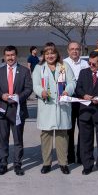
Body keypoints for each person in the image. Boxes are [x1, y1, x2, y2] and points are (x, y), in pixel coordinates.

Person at [32, 42, 76, 174]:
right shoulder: (39, 68)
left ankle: (63, 163)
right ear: (44, 55)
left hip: (62, 106)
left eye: (52, 53)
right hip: (47, 106)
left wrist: (68, 90)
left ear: (57, 54)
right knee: (46, 135)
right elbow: (35, 84)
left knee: (62, 136)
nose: (50, 56)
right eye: (47, 53)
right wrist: (41, 92)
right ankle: (47, 163)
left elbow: (72, 82)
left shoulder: (64, 66)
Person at [0, 45, 33, 175]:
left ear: (16, 56)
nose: (10, 58)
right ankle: (3, 165)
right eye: (8, 55)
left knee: (18, 140)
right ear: (4, 57)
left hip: (18, 110)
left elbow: (28, 88)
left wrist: (19, 97)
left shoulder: (24, 71)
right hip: (2, 110)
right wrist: (1, 95)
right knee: (3, 139)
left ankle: (17, 165)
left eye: (12, 55)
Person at [63, 41, 89, 164]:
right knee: (69, 129)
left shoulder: (85, 64)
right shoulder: (63, 63)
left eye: (77, 49)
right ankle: (70, 156)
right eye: (72, 49)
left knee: (83, 128)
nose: (75, 51)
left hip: (82, 99)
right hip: (69, 99)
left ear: (80, 51)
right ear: (68, 51)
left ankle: (81, 156)